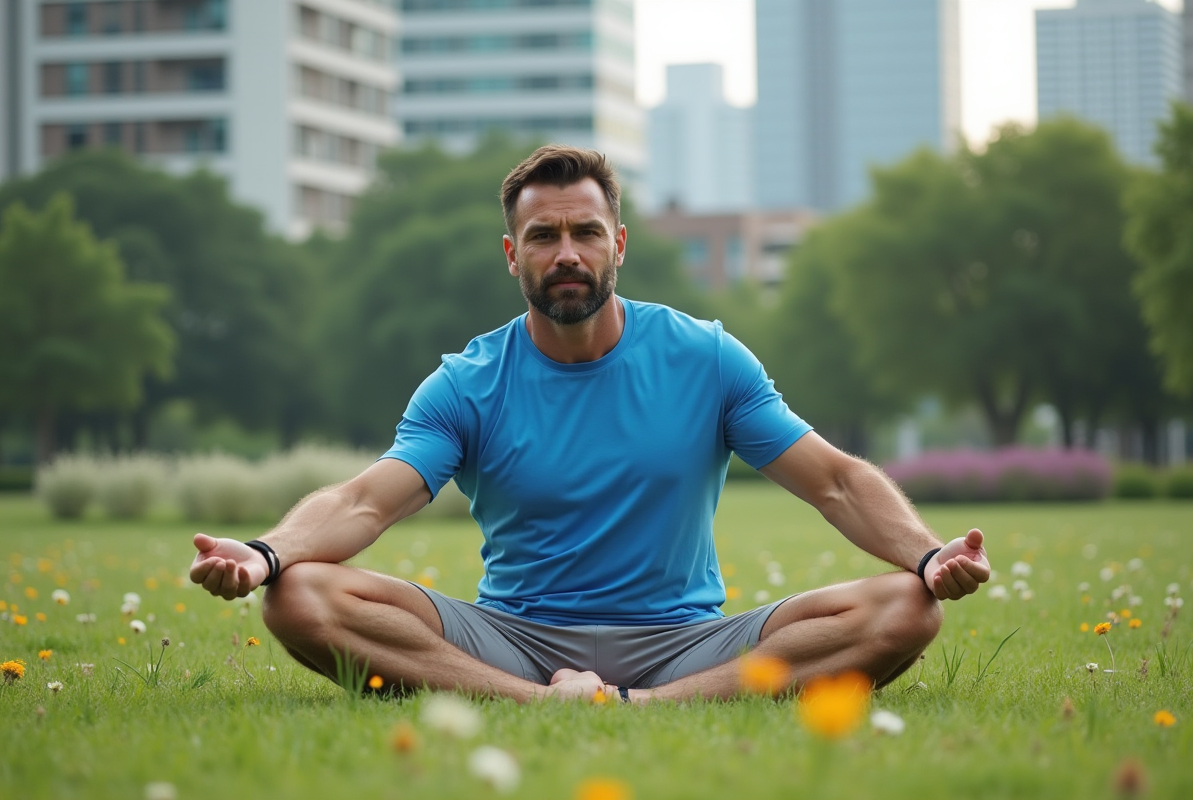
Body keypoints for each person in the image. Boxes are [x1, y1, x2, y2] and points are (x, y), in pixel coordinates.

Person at [190, 145, 990, 703]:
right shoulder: (467, 382)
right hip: (514, 637)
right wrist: (267, 555)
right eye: (544, 236)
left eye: (585, 232)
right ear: (512, 254)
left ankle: (650, 704)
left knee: (906, 609)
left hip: (684, 642)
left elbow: (840, 481)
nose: (566, 252)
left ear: (620, 245)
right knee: (300, 601)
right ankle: (537, 702)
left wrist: (927, 557)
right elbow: (368, 501)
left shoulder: (705, 359)